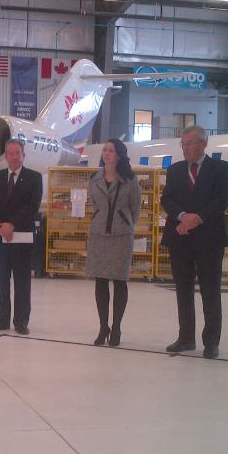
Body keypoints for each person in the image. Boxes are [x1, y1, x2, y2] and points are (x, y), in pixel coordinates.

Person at [160, 126, 228, 358]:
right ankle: (186, 338)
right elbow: (167, 199)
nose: (186, 148)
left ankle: (211, 342)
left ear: (203, 143)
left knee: (210, 291)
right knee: (183, 290)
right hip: (180, 237)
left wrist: (196, 218)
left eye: (190, 143)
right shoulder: (175, 170)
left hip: (209, 239)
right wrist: (182, 216)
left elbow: (221, 199)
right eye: (183, 144)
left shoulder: (220, 168)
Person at [0, 139, 43, 335]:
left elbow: (33, 206)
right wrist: (0, 227)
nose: (14, 157)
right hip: (0, 237)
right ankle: (2, 318)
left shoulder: (34, 178)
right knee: (1, 280)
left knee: (22, 281)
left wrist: (12, 224)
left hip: (22, 237)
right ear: (6, 156)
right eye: (11, 153)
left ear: (23, 155)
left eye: (18, 153)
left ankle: (21, 321)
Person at [85, 139, 141, 346]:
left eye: (111, 150)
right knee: (100, 281)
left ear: (119, 155)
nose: (106, 153)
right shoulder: (94, 178)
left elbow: (135, 207)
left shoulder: (130, 179)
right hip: (99, 234)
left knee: (119, 281)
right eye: (105, 150)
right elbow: (94, 203)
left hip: (121, 235)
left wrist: (124, 221)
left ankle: (116, 327)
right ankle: (103, 327)